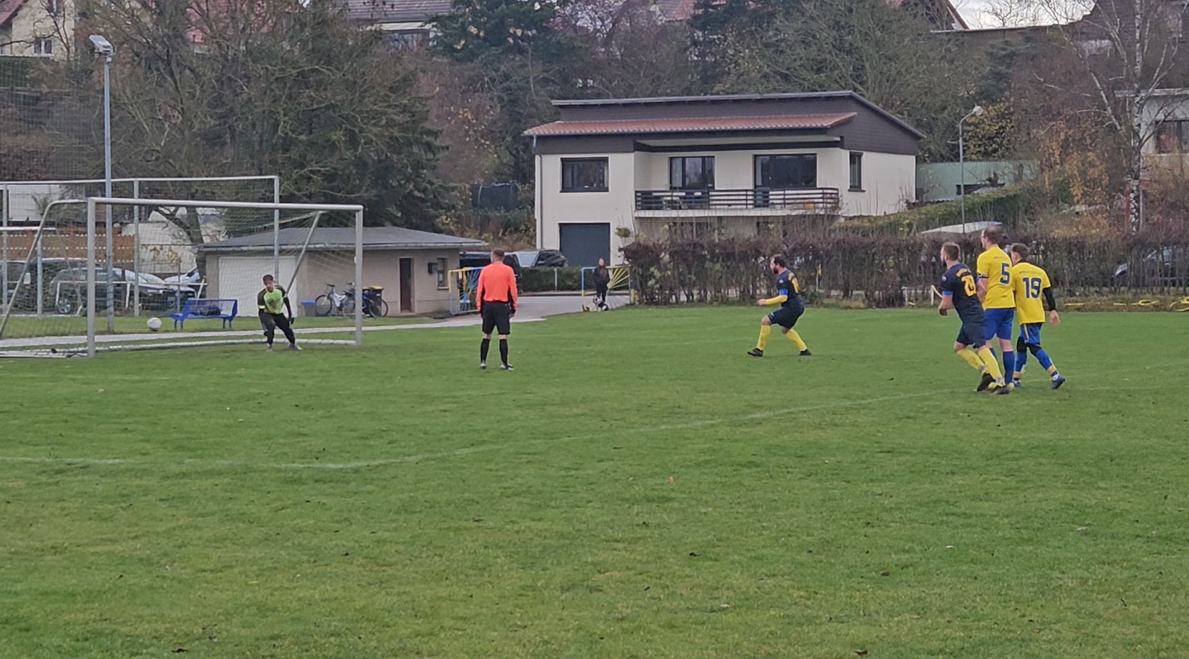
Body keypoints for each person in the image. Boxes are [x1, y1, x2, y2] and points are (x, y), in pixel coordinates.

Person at [938, 242, 1009, 394]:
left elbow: (946, 303)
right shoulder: (965, 269)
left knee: (981, 346)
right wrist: (973, 301)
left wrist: (941, 309)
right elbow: (982, 288)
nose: (940, 256)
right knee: (959, 347)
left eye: (941, 253)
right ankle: (985, 371)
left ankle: (999, 381)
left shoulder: (948, 276)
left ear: (946, 256)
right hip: (974, 313)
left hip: (971, 316)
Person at [1008, 243, 1066, 389]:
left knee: (1034, 346)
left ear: (1015, 255)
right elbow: (1048, 293)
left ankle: (1055, 375)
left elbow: (1011, 294)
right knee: (1021, 345)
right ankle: (1016, 378)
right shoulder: (1039, 271)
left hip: (1027, 316)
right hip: (1038, 314)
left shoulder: (1014, 272)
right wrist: (1053, 310)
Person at [976, 224, 1016, 388]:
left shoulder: (985, 257)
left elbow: (984, 284)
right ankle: (1010, 381)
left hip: (993, 303)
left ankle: (995, 377)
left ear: (986, 238)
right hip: (1008, 303)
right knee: (1005, 343)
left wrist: (976, 299)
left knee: (983, 342)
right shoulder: (1005, 256)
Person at [747, 255, 811, 358]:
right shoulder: (789, 273)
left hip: (791, 307)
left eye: (771, 264)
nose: (770, 266)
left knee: (765, 320)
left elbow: (783, 298)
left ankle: (759, 350)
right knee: (785, 329)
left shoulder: (782, 278)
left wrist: (766, 302)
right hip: (799, 306)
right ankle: (804, 350)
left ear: (777, 265)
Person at [474, 249, 519, 371]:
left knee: (486, 334)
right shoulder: (508, 270)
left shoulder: (485, 270)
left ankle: (483, 362)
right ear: (503, 258)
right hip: (502, 305)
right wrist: (513, 307)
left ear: (493, 257)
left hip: (488, 305)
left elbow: (480, 291)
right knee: (502, 335)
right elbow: (513, 290)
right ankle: (504, 363)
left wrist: (480, 307)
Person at [257, 274, 300, 351]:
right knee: (271, 325)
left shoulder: (280, 290)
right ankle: (269, 345)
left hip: (278, 313)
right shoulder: (261, 295)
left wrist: (290, 314)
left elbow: (286, 301)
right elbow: (261, 312)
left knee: (286, 327)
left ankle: (292, 343)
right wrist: (264, 327)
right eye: (266, 284)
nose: (268, 285)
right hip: (267, 313)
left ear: (273, 282)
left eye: (270, 283)